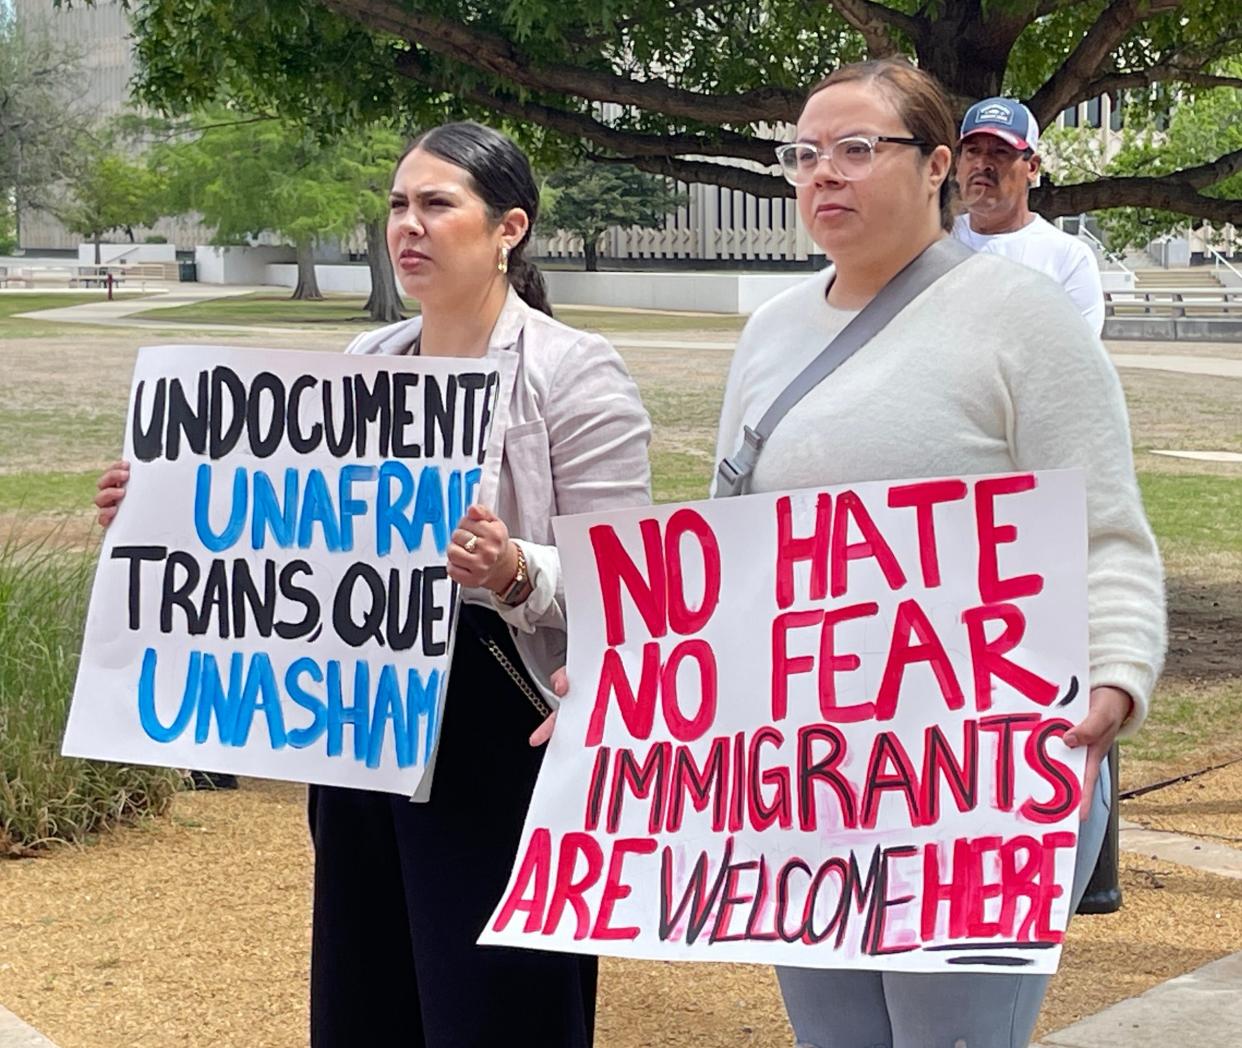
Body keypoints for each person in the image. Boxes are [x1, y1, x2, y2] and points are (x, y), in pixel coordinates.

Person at [93, 120, 652, 1048]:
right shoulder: (365, 367)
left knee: (496, 999)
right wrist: (154, 508)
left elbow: (622, 583)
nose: (409, 227)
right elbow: (283, 543)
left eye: (438, 204)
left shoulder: (573, 370)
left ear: (509, 227)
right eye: (399, 205)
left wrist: (513, 571)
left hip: (499, 724)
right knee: (369, 985)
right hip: (365, 714)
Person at [713, 59, 1165, 1048]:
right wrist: (634, 670)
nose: (822, 173)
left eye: (856, 149)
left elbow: (1110, 534)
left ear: (936, 168)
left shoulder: (1026, 320)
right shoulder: (771, 334)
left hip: (982, 776)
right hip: (815, 773)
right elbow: (726, 554)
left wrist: (1118, 681)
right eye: (805, 153)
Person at [952, 96, 1106, 333]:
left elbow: (1070, 362)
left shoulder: (1068, 260)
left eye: (1000, 152)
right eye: (972, 151)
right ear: (957, 164)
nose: (983, 164)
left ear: (1032, 167)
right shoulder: (931, 244)